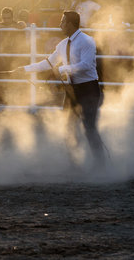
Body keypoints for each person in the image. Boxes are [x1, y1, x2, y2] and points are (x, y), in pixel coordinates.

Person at [18, 11, 105, 166]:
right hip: (73, 90)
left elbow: (86, 65)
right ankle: (73, 161)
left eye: (62, 22)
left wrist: (63, 70)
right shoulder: (62, 44)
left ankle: (101, 163)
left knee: (89, 127)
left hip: (88, 89)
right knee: (68, 127)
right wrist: (25, 69)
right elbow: (48, 63)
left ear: (70, 24)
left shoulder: (87, 41)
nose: (60, 25)